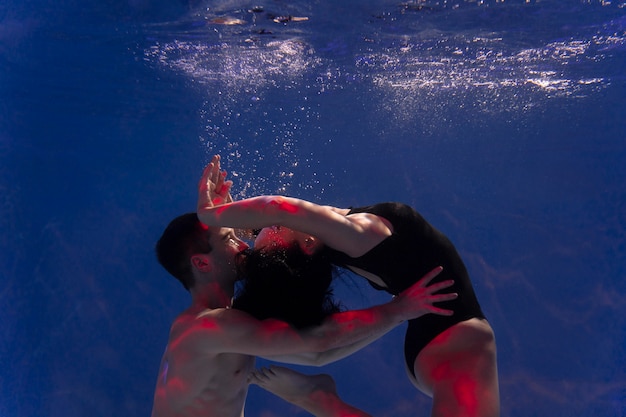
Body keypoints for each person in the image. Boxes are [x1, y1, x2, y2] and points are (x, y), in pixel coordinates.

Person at [196, 155, 500, 417]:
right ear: (307, 241)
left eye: (256, 230)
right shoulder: (357, 235)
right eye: (271, 228)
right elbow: (278, 207)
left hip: (436, 342)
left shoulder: (333, 246)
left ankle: (320, 399)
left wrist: (230, 217)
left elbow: (320, 346)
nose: (258, 230)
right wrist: (209, 214)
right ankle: (320, 401)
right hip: (457, 342)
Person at [150, 212, 457, 417]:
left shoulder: (223, 323)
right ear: (202, 264)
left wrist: (400, 312)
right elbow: (318, 341)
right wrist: (400, 308)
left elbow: (316, 357)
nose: (243, 244)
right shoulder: (211, 327)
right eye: (229, 240)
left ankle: (318, 400)